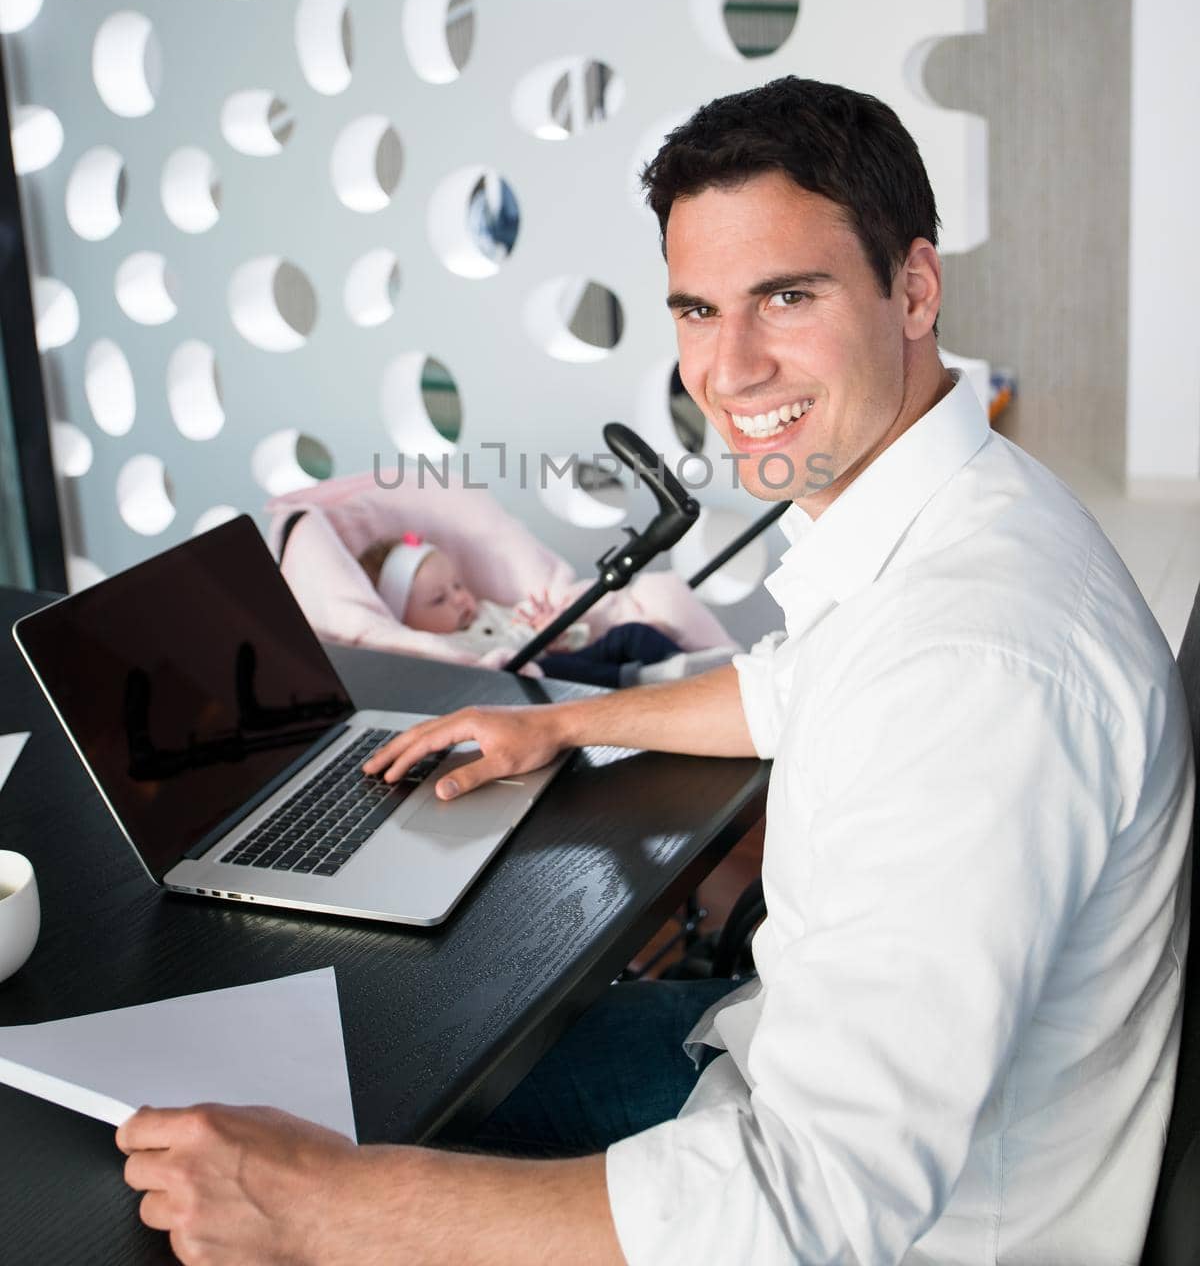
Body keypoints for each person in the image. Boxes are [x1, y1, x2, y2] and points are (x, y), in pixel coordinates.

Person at [117, 78, 1192, 1266]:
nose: (728, 370)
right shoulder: (963, 509)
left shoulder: (974, 670)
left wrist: (316, 1208)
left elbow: (805, 1208)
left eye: (788, 296)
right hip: (768, 1067)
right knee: (375, 1094)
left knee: (292, 1162)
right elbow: (798, 684)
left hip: (892, 1223)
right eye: (696, 309)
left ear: (916, 288)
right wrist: (564, 728)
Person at [358, 532, 683, 688]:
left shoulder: (487, 610)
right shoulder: (442, 651)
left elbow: (564, 642)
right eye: (438, 600)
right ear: (405, 618)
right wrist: (534, 639)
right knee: (554, 672)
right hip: (543, 682)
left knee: (630, 634)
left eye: (457, 585)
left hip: (564, 659)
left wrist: (554, 631)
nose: (459, 599)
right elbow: (497, 664)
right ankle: (645, 679)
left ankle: (684, 665)